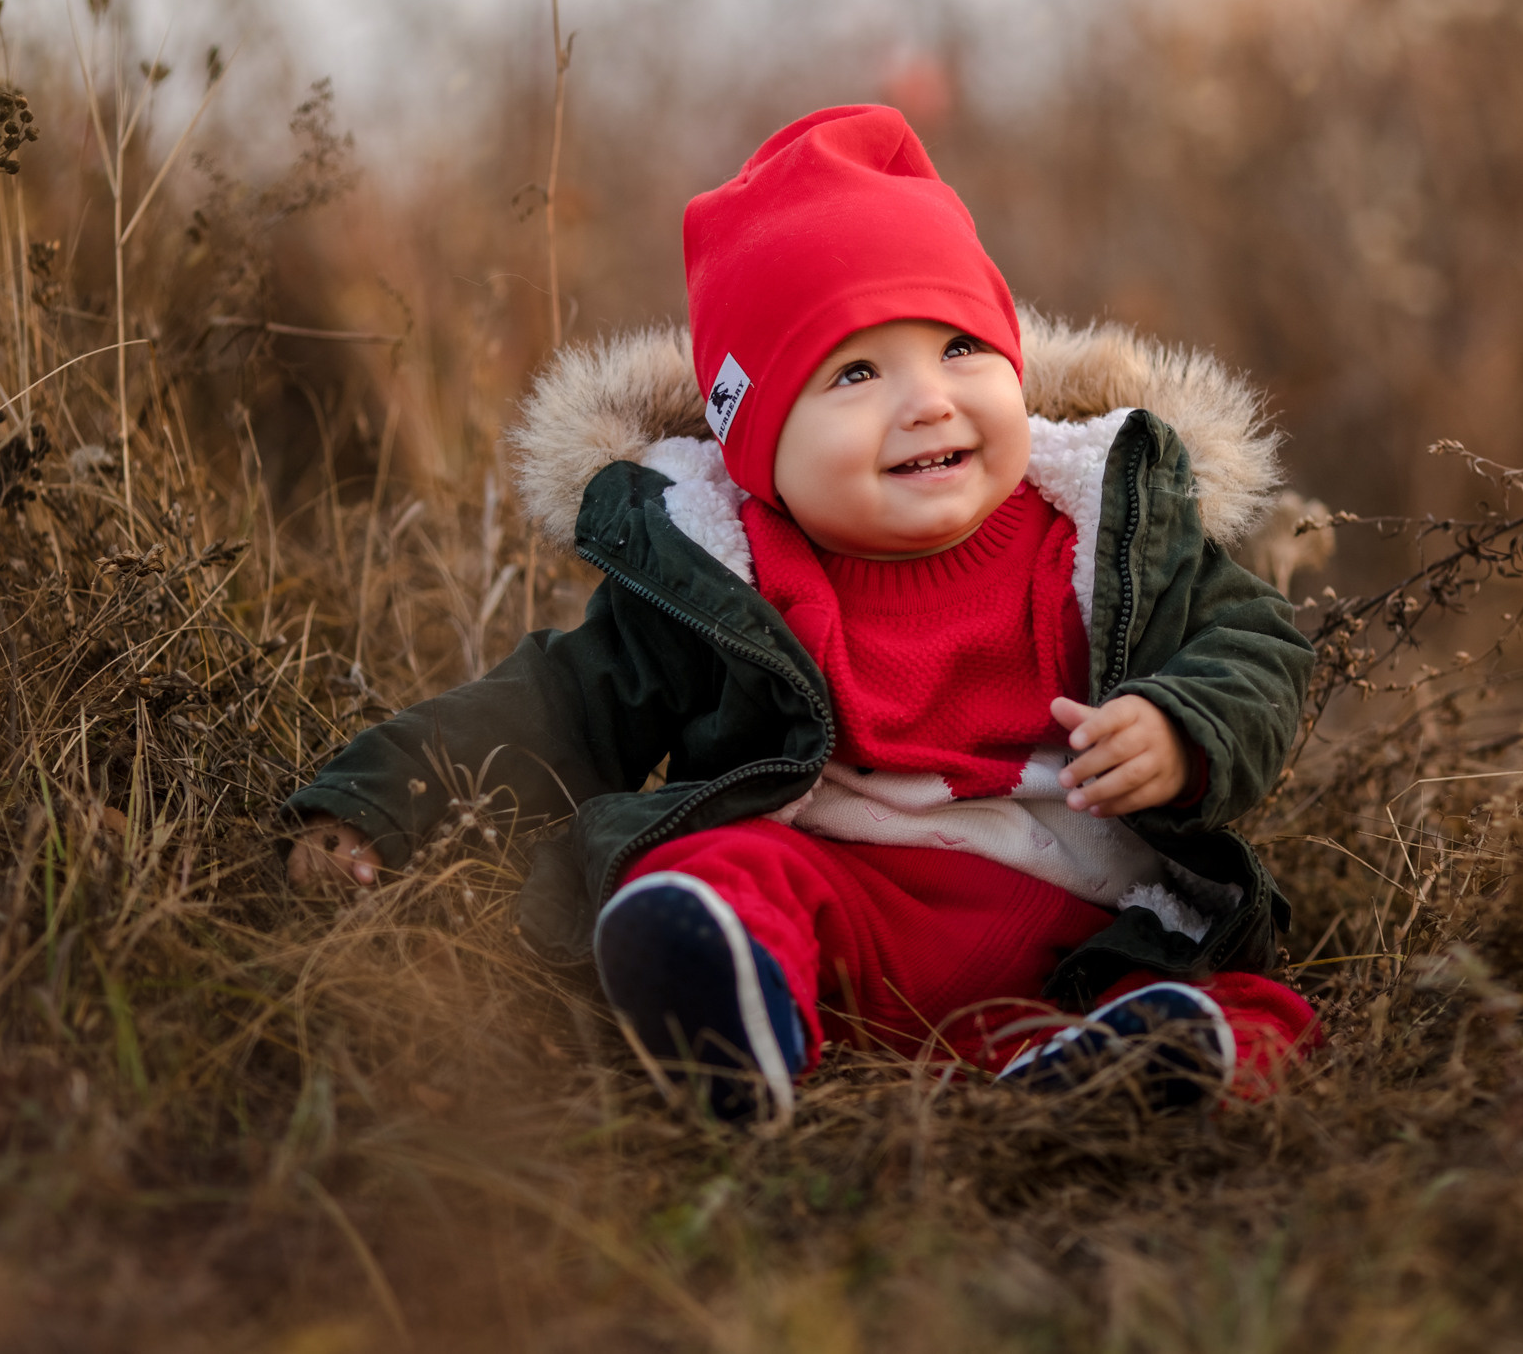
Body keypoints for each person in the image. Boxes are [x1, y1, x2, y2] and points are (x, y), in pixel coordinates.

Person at [284, 104, 1318, 1124]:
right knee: (715, 869)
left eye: (960, 347)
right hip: (840, 903)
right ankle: (731, 1004)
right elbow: (556, 707)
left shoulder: (1101, 532)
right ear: (756, 447)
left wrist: (1186, 726)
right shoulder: (728, 572)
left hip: (1074, 913)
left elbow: (1254, 642)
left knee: (1245, 996)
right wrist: (372, 800)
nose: (927, 401)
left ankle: (1122, 1055)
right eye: (856, 372)